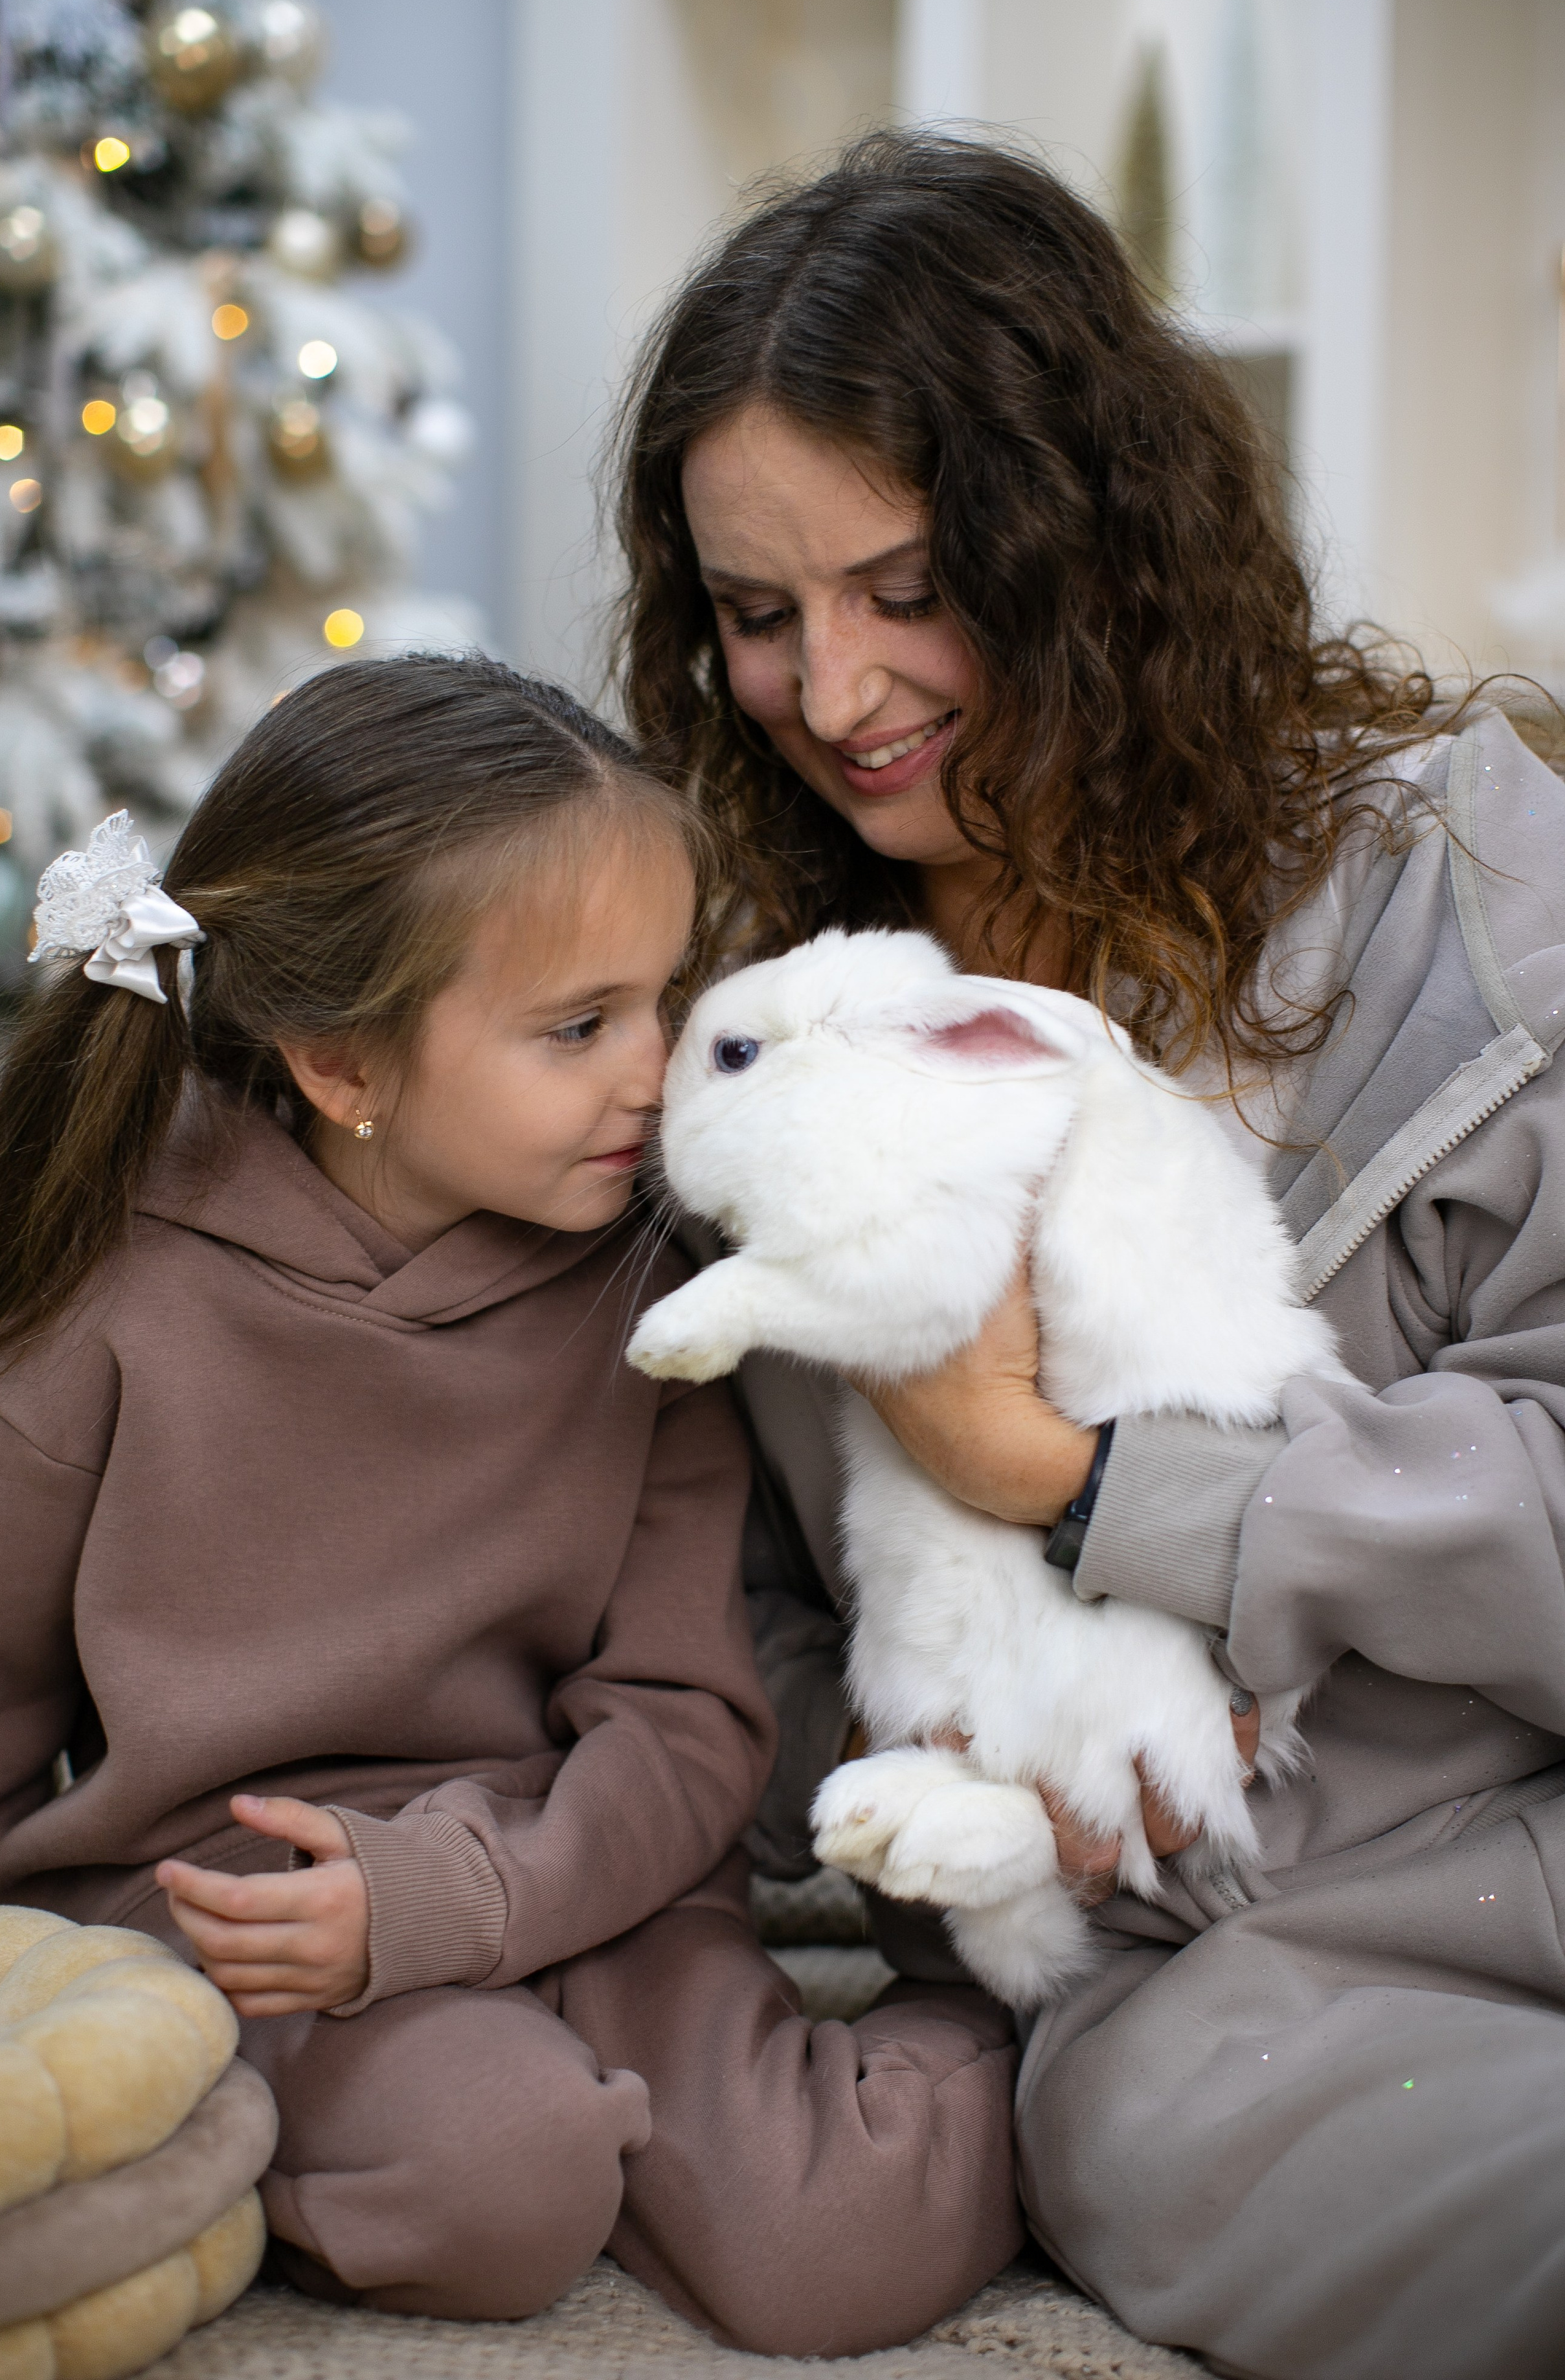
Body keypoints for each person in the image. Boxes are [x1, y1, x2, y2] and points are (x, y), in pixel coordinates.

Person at [611, 131, 1565, 2380]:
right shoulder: (771, 1030)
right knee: (1135, 2131)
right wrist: (947, 1755)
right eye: (761, 615)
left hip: (1525, 1812)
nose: (835, 694)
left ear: (1090, 539)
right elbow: (735, 1608)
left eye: (908, 584)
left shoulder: (1475, 904)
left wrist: (1087, 1480)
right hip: (1229, 1966)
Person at [0, 654, 1019, 2359]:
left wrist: (472, 1900)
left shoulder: (651, 1284)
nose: (659, 1073)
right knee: (502, 2175)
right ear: (346, 1063)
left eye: (663, 998)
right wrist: (14, 2010)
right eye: (581, 1027)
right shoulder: (99, 1301)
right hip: (240, 1920)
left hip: (593, 1874)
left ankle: (1075, 2056)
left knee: (841, 2246)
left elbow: (683, 1728)